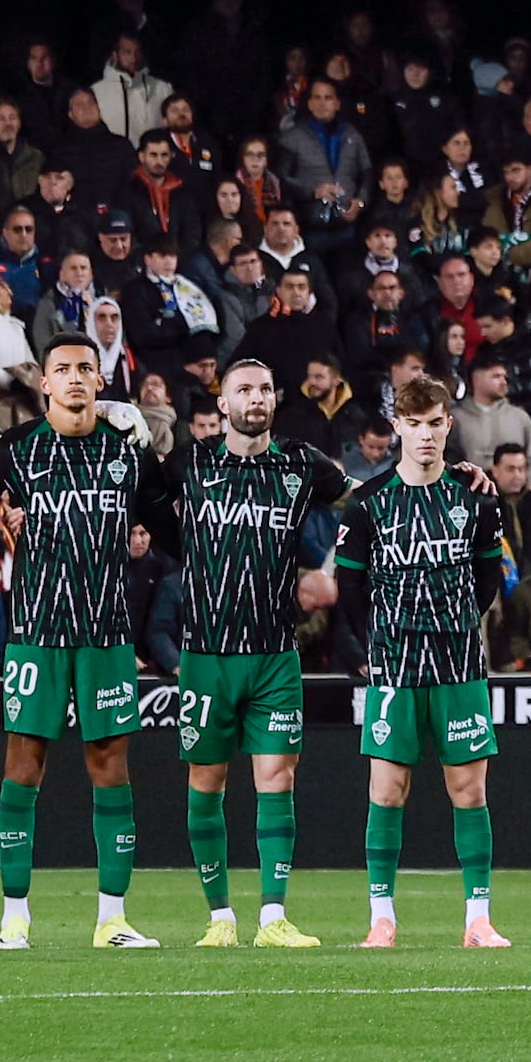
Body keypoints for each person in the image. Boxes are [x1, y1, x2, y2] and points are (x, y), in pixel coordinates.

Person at [156, 354, 344, 946]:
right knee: (206, 781)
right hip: (206, 654)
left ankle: (272, 917)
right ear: (223, 403)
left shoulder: (299, 465)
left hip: (273, 653)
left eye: (265, 388)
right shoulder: (190, 462)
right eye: (244, 389)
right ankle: (219, 918)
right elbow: (139, 500)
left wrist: (437, 473)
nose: (256, 398)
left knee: (277, 779)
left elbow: (367, 498)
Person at [0, 326, 155, 950]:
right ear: (45, 382)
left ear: (100, 381)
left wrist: (143, 538)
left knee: (110, 766)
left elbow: (166, 518)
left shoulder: (130, 451)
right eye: (65, 368)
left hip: (107, 633)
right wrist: (2, 515)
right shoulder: (15, 451)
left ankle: (112, 918)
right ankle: (13, 919)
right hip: (36, 632)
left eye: (87, 367)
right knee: (23, 765)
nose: (77, 377)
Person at [336, 366, 515, 950]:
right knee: (387, 791)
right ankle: (381, 918)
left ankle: (478, 919)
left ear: (449, 424)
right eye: (414, 424)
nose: (427, 435)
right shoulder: (367, 505)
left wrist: (457, 622)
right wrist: (381, 644)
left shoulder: (475, 499)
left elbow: (489, 578)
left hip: (459, 664)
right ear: (397, 427)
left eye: (436, 423)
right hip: (395, 664)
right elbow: (351, 589)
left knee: (469, 790)